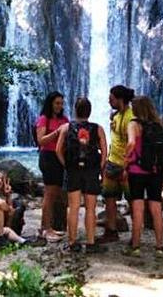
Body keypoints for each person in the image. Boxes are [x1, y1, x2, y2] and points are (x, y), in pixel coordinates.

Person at [55, 98, 108, 253]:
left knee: (74, 208)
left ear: (75, 110)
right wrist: (99, 167)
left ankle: (72, 242)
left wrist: (66, 165)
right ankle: (91, 242)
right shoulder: (98, 129)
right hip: (91, 171)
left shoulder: (66, 128)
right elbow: (104, 151)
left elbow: (58, 150)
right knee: (91, 208)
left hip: (73, 171)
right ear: (89, 111)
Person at [122, 96, 163, 259]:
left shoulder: (134, 124)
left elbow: (131, 143)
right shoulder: (158, 125)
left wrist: (126, 159)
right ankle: (160, 247)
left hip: (137, 171)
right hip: (156, 172)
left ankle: (135, 246)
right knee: (156, 209)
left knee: (137, 208)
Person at [98, 85, 135, 244]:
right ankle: (111, 230)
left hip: (126, 166)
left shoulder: (130, 117)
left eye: (111, 98)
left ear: (120, 99)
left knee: (133, 201)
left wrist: (127, 165)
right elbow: (116, 141)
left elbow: (132, 143)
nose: (108, 101)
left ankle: (136, 234)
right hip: (112, 163)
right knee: (109, 198)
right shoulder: (117, 116)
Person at [35, 91, 69, 242]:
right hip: (48, 157)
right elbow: (41, 140)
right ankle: (45, 228)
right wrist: (57, 132)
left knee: (56, 194)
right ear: (50, 103)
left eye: (61, 103)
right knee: (49, 194)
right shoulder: (44, 119)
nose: (59, 106)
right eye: (57, 103)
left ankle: (51, 226)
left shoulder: (65, 119)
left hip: (60, 157)